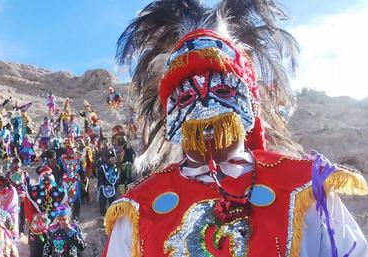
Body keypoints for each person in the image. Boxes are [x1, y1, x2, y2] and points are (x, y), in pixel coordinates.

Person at [103, 1, 368, 256]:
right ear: (171, 114)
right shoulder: (139, 208)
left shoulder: (305, 188)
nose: (204, 103)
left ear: (249, 103)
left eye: (221, 90)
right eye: (186, 97)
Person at [24, 166, 67, 257]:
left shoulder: (60, 192)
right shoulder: (32, 191)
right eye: (44, 176)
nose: (46, 179)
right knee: (37, 250)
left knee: (56, 250)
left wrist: (62, 219)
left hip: (55, 225)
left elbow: (65, 208)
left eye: (48, 175)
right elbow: (28, 210)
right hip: (38, 227)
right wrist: (36, 217)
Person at [0, 175, 20, 241]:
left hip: (11, 214)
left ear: (3, 183)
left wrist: (0, 211)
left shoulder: (11, 190)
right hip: (3, 214)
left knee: (10, 233)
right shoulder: (2, 191)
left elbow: (8, 204)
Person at [97, 150, 119, 215]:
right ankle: (103, 212)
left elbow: (116, 178)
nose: (113, 160)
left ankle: (113, 211)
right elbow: (100, 176)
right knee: (102, 200)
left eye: (114, 158)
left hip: (112, 186)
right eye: (111, 158)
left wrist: (115, 186)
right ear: (108, 159)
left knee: (113, 200)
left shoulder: (116, 168)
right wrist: (102, 184)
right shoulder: (103, 167)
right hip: (104, 186)